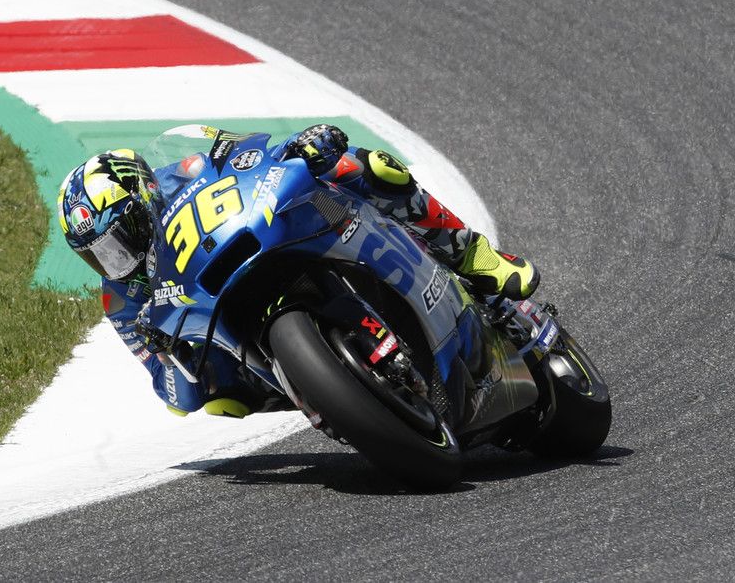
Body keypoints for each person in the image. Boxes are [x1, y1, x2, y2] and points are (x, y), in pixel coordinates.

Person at [57, 124, 538, 418]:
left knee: (361, 166)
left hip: (255, 243)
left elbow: (247, 156)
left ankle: (474, 256)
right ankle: (331, 393)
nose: (116, 261)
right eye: (99, 255)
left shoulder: (181, 171)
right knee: (224, 400)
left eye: (118, 240)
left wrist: (301, 146)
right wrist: (167, 355)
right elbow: (175, 396)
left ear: (142, 198)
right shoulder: (119, 298)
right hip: (235, 339)